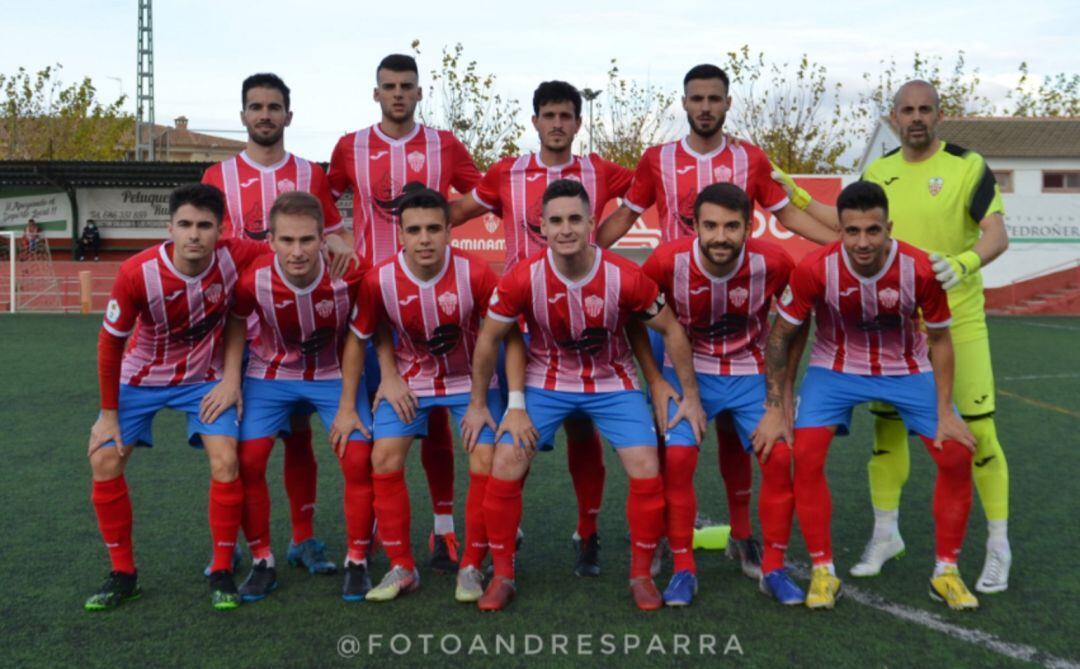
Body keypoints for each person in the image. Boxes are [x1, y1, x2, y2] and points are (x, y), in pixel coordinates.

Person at [597, 63, 838, 578]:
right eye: (696, 98)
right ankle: (662, 536)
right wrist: (580, 256)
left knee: (737, 433)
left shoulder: (750, 158)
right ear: (683, 104)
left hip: (735, 316)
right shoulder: (657, 159)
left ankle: (743, 536)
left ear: (728, 103)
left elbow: (787, 216)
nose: (705, 106)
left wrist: (843, 247)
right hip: (674, 315)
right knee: (670, 438)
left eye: (714, 98)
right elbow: (628, 214)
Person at [773, 80, 1012, 593]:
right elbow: (846, 226)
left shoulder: (967, 165)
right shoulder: (878, 171)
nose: (916, 117)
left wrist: (964, 263)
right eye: (907, 110)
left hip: (951, 319)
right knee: (884, 440)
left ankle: (997, 546)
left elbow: (997, 233)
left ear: (939, 114)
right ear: (894, 116)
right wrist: (793, 195)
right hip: (878, 333)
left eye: (925, 109)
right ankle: (885, 535)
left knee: (974, 436)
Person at [462, 179, 707, 611]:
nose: (566, 229)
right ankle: (502, 575)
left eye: (575, 219)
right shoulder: (523, 277)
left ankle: (640, 575)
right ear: (541, 226)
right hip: (546, 381)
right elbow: (489, 340)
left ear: (593, 222)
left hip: (613, 381)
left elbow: (670, 328)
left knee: (647, 465)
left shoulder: (624, 276)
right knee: (505, 461)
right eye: (556, 220)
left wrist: (686, 393)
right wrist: (484, 405)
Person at [755, 181, 980, 611]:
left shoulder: (921, 269)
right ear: (838, 229)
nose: (862, 242)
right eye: (851, 231)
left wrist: (946, 409)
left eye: (872, 231)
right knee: (805, 454)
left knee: (956, 452)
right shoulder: (815, 269)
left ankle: (946, 572)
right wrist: (776, 407)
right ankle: (824, 570)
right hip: (835, 368)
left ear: (888, 228)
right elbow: (780, 337)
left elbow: (941, 340)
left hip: (908, 369)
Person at [448, 80, 637, 576]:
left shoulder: (599, 170)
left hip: (578, 320)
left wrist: (604, 240)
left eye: (566, 116)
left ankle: (588, 531)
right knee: (510, 435)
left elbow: (648, 190)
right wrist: (413, 226)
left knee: (581, 430)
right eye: (548, 115)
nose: (557, 123)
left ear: (577, 123)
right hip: (519, 323)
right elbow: (456, 213)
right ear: (535, 121)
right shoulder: (506, 172)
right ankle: (500, 535)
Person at [327, 53, 483, 571]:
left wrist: (436, 221)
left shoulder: (444, 145)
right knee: (378, 420)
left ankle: (443, 529)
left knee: (436, 422)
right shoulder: (351, 146)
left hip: (429, 296)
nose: (398, 93)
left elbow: (478, 195)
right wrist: (342, 237)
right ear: (376, 93)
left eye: (407, 86)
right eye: (389, 86)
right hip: (374, 298)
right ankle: (373, 525)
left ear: (419, 93)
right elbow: (325, 205)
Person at [84, 183, 267, 611]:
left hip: (204, 378)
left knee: (226, 459)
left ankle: (222, 570)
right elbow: (110, 343)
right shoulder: (136, 273)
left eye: (204, 226)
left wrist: (334, 238)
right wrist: (108, 415)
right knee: (103, 457)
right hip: (141, 378)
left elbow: (287, 250)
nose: (194, 235)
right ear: (169, 227)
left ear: (221, 230)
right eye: (184, 224)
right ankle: (123, 574)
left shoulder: (236, 255)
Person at [202, 72, 357, 576]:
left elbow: (335, 236)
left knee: (301, 438)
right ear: (242, 114)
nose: (264, 114)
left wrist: (341, 249)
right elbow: (211, 245)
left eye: (274, 106)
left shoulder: (310, 173)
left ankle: (304, 539)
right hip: (243, 328)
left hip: (303, 327)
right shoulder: (216, 176)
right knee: (241, 450)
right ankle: (241, 547)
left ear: (289, 115)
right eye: (256, 106)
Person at [332, 184, 510, 604]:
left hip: (471, 381)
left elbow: (508, 337)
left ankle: (470, 565)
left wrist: (487, 399)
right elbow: (359, 337)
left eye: (434, 228)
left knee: (485, 458)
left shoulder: (478, 272)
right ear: (400, 234)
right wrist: (360, 396)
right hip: (412, 382)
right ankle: (402, 566)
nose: (424, 238)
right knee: (383, 456)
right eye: (414, 230)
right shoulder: (380, 278)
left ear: (450, 231)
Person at [641, 182, 804, 607]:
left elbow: (795, 322)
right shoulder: (665, 261)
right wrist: (658, 380)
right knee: (677, 458)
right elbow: (634, 316)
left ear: (750, 226)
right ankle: (682, 569)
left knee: (781, 456)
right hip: (688, 370)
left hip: (751, 370)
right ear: (693, 224)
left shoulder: (775, 262)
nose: (720, 236)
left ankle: (772, 568)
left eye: (732, 226)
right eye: (710, 225)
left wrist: (783, 396)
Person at [217, 191, 374, 603]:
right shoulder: (253, 280)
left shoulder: (352, 273)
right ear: (270, 241)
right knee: (247, 460)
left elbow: (374, 329)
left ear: (325, 238)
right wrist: (232, 379)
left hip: (332, 375)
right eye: (287, 241)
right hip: (271, 374)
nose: (297, 251)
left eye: (307, 240)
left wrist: (362, 393)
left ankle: (357, 560)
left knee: (358, 456)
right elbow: (235, 323)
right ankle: (262, 561)